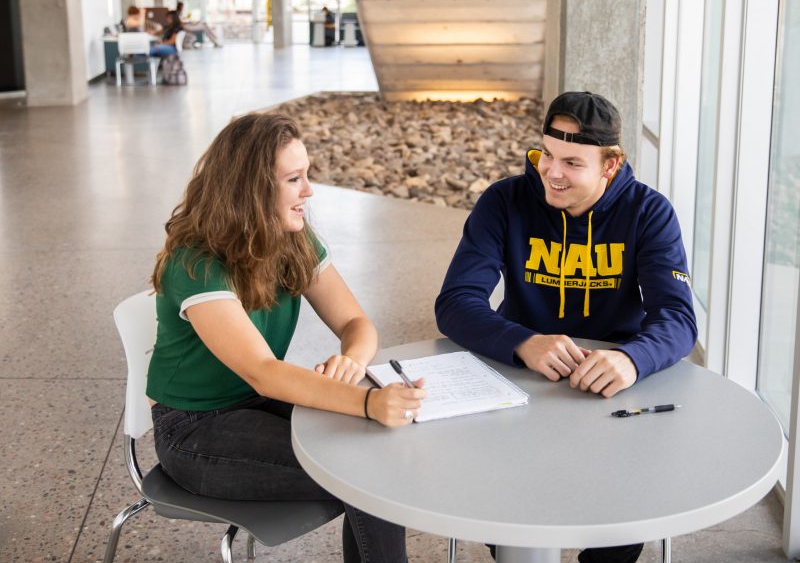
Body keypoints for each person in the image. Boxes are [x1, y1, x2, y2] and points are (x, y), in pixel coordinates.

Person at [147, 113, 426, 563]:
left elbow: (357, 324)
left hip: (255, 407)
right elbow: (263, 372)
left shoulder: (291, 239)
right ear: (251, 190)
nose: (309, 191)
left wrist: (352, 361)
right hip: (195, 431)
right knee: (370, 473)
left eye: (307, 175)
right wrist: (368, 403)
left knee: (378, 458)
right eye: (294, 179)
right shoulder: (195, 264)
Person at [435, 91, 697, 563]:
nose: (552, 173)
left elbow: (677, 318)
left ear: (611, 164)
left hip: (613, 387)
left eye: (573, 162)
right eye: (546, 156)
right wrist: (522, 341)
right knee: (511, 524)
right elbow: (455, 302)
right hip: (518, 380)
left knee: (622, 521)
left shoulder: (648, 213)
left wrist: (632, 358)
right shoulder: (505, 201)